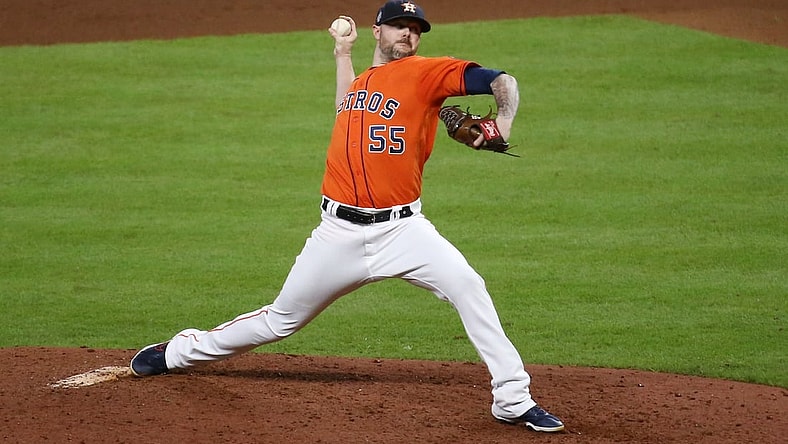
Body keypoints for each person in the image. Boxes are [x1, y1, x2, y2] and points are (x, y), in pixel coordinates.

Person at [130, 0, 564, 433]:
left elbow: (501, 80)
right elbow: (345, 110)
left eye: (415, 28)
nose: (408, 34)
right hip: (337, 234)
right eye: (398, 26)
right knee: (281, 320)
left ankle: (512, 397)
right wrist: (341, 53)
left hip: (403, 231)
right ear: (377, 31)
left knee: (469, 287)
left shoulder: (427, 73)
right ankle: (179, 352)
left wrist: (503, 124)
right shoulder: (362, 84)